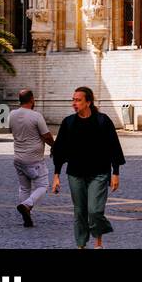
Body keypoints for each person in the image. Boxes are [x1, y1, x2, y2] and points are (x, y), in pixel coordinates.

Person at [51, 86, 126, 250]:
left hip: (99, 173)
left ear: (88, 102)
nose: (74, 103)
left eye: (78, 100)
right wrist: (56, 175)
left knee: (94, 211)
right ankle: (81, 245)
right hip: (75, 174)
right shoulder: (68, 122)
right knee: (79, 211)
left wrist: (116, 173)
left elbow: (114, 146)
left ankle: (98, 243)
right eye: (73, 100)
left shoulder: (102, 121)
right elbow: (59, 150)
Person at [9, 88, 54, 228]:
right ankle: (27, 205)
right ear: (32, 100)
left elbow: (11, 130)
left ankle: (26, 216)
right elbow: (46, 136)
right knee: (43, 185)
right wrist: (55, 146)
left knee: (24, 188)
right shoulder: (36, 116)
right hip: (34, 160)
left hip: (18, 158)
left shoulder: (12, 114)